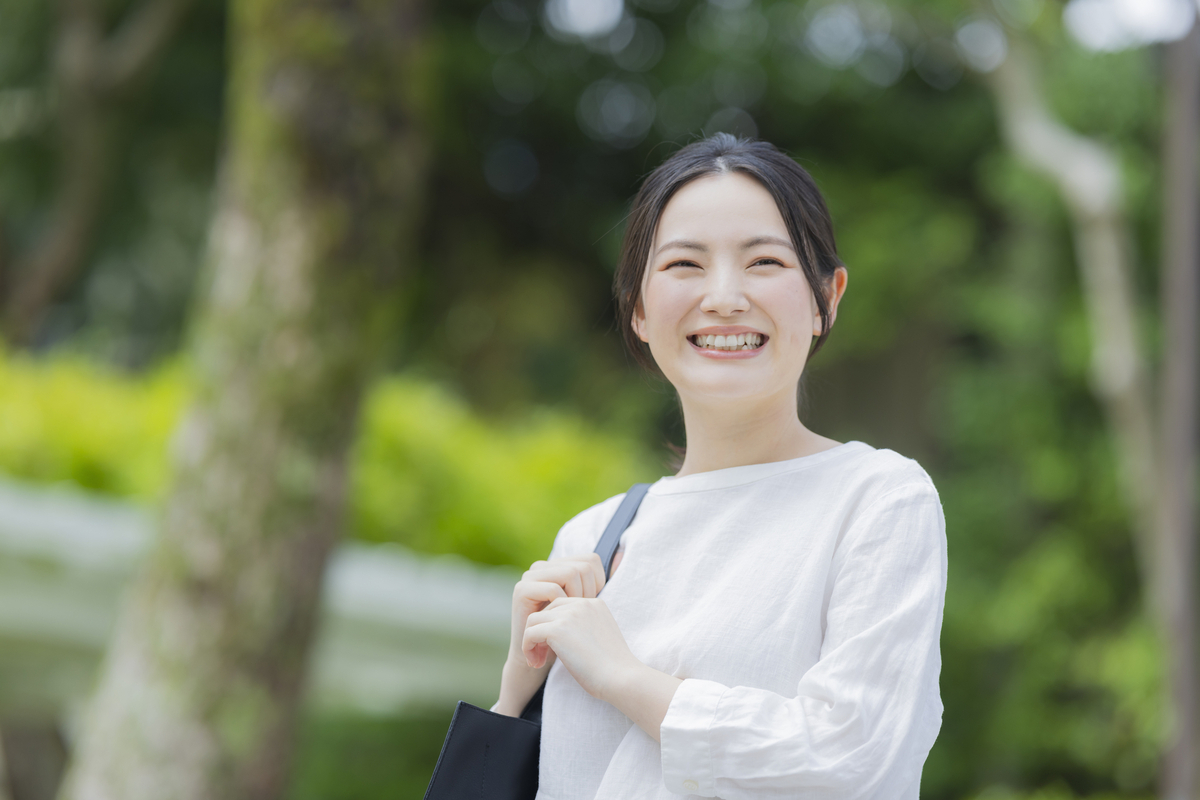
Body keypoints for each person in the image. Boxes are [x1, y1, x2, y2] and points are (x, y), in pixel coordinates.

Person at [492, 133, 947, 799]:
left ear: (827, 298)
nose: (726, 297)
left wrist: (623, 677)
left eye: (764, 261)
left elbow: (854, 761)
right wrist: (516, 692)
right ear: (640, 309)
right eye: (684, 265)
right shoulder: (590, 538)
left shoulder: (878, 499)